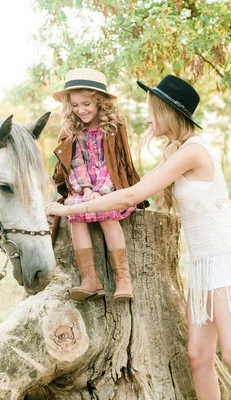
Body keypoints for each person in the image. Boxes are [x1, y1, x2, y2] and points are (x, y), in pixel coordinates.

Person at [46, 75, 231, 399]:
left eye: (152, 110)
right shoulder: (177, 151)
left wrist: (69, 210)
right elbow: (138, 190)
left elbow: (129, 195)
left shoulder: (193, 151)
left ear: (167, 112)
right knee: (198, 356)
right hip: (204, 262)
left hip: (226, 257)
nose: (148, 118)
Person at [51, 68, 147, 302]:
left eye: (86, 104)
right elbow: (75, 162)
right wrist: (84, 189)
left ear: (100, 102)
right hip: (82, 187)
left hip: (110, 185)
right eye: (75, 105)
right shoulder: (71, 129)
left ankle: (123, 280)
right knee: (74, 216)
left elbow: (115, 163)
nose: (81, 110)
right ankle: (90, 279)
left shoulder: (113, 126)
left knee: (106, 214)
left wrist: (101, 192)